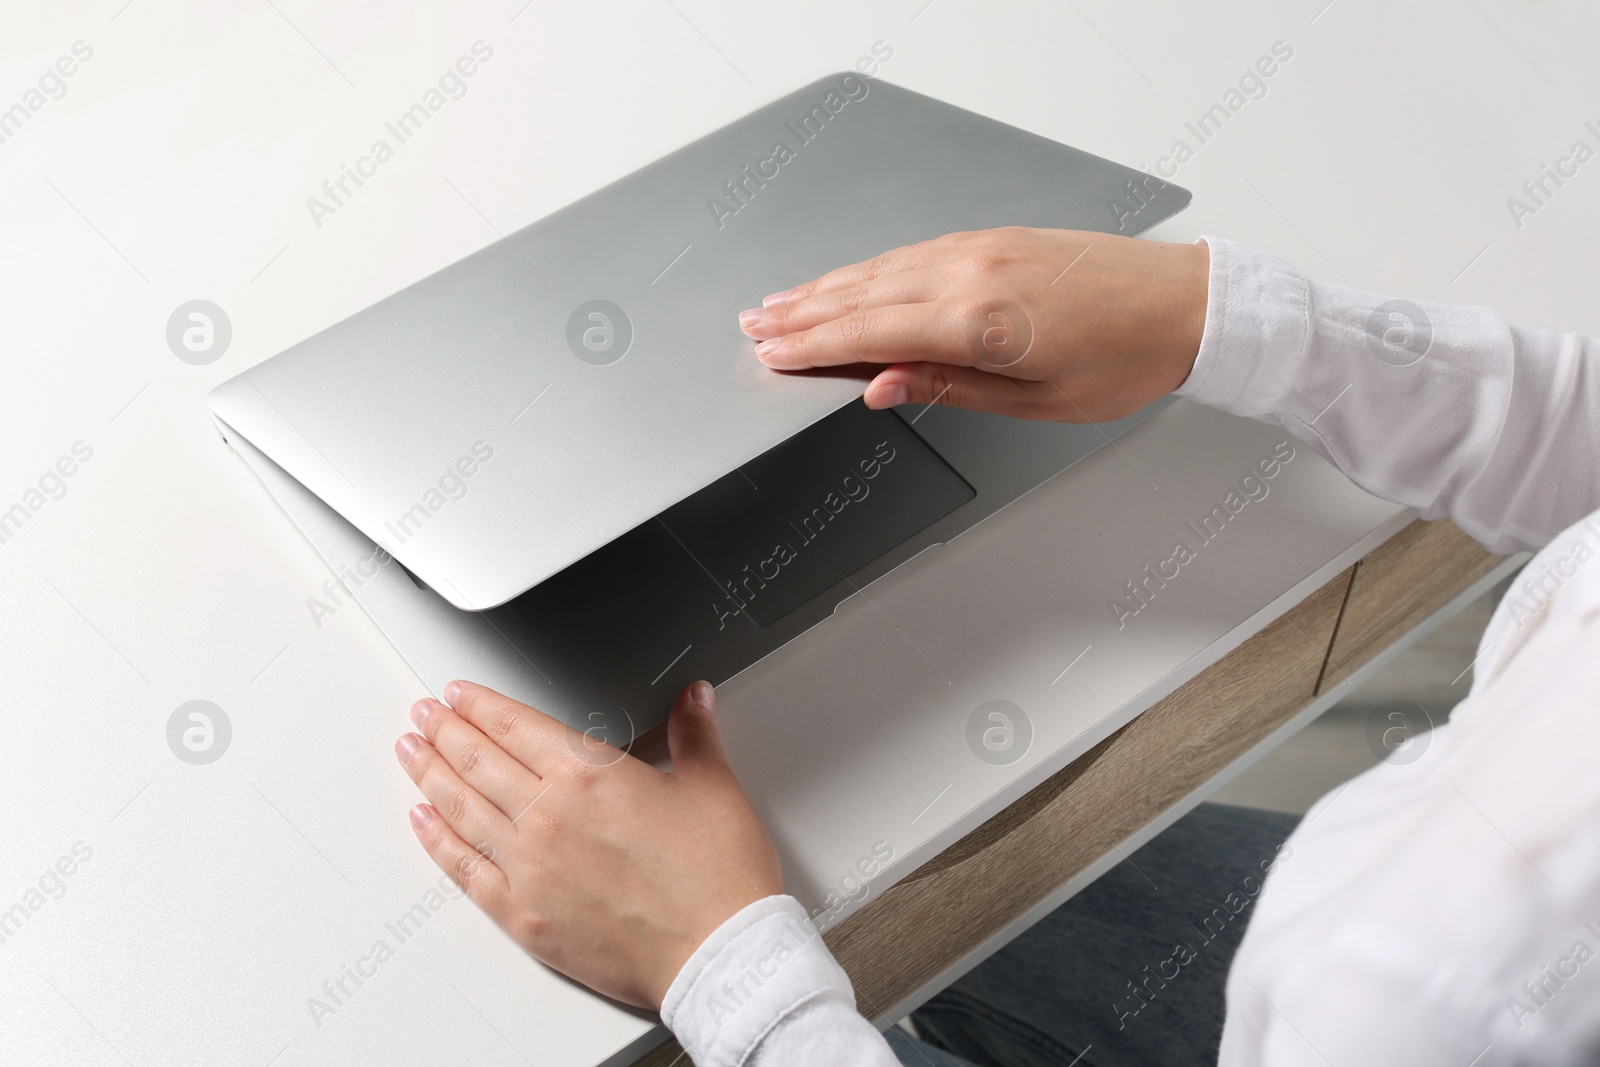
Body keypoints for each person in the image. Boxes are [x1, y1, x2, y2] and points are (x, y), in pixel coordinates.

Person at [391, 226, 1600, 1066]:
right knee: (962, 876)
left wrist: (721, 974)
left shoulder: (1443, 987)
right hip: (1356, 954)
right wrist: (1228, 322)